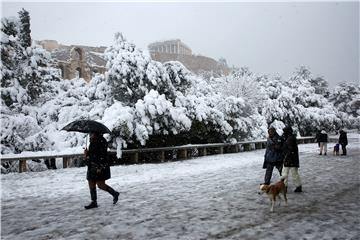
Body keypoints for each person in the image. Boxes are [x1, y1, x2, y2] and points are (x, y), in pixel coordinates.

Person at [84, 132, 119, 209]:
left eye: (91, 133)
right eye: (90, 134)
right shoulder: (92, 142)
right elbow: (91, 155)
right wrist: (86, 154)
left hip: (100, 166)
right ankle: (94, 202)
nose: (90, 135)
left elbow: (103, 155)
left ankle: (114, 193)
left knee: (100, 185)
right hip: (92, 166)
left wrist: (100, 167)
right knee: (91, 182)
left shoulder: (101, 141)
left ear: (96, 133)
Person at [281, 126, 302, 193]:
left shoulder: (289, 139)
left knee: (286, 173)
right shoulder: (289, 137)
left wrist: (286, 157)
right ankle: (297, 186)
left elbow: (290, 150)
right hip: (292, 159)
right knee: (292, 173)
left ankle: (285, 187)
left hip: (290, 159)